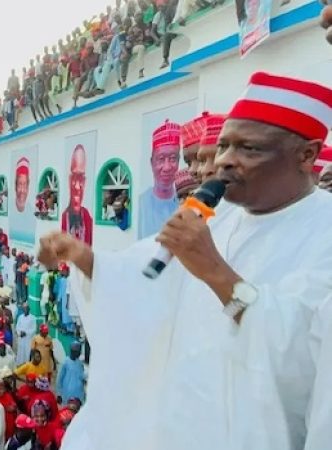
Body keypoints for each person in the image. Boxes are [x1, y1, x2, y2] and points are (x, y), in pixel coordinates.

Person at [37, 71, 332, 450]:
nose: (224, 162)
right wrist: (84, 257)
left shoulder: (323, 231)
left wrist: (216, 272)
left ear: (306, 155)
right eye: (223, 146)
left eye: (249, 149)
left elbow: (300, 349)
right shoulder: (217, 216)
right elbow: (142, 282)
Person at [139, 120, 182, 238]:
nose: (167, 167)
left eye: (172, 159)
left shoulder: (184, 203)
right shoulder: (140, 203)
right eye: (161, 159)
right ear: (152, 162)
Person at [61, 145, 92, 245]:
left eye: (81, 178)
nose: (77, 187)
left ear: (85, 182)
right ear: (69, 180)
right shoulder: (65, 216)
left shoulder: (86, 217)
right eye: (74, 177)